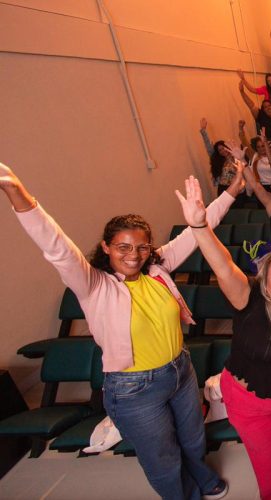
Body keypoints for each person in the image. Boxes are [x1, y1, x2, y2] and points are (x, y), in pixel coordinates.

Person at [0, 161, 236, 500]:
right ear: (107, 247)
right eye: (123, 247)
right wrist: (18, 194)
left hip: (179, 371)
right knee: (163, 459)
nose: (134, 255)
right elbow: (57, 247)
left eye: (141, 247)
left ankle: (202, 477)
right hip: (133, 388)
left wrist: (230, 192)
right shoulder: (93, 284)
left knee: (193, 437)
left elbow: (197, 230)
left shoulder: (157, 267)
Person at [176, 177, 271, 500]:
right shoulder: (248, 299)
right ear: (264, 281)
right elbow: (224, 266)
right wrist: (200, 228)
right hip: (248, 398)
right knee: (264, 453)